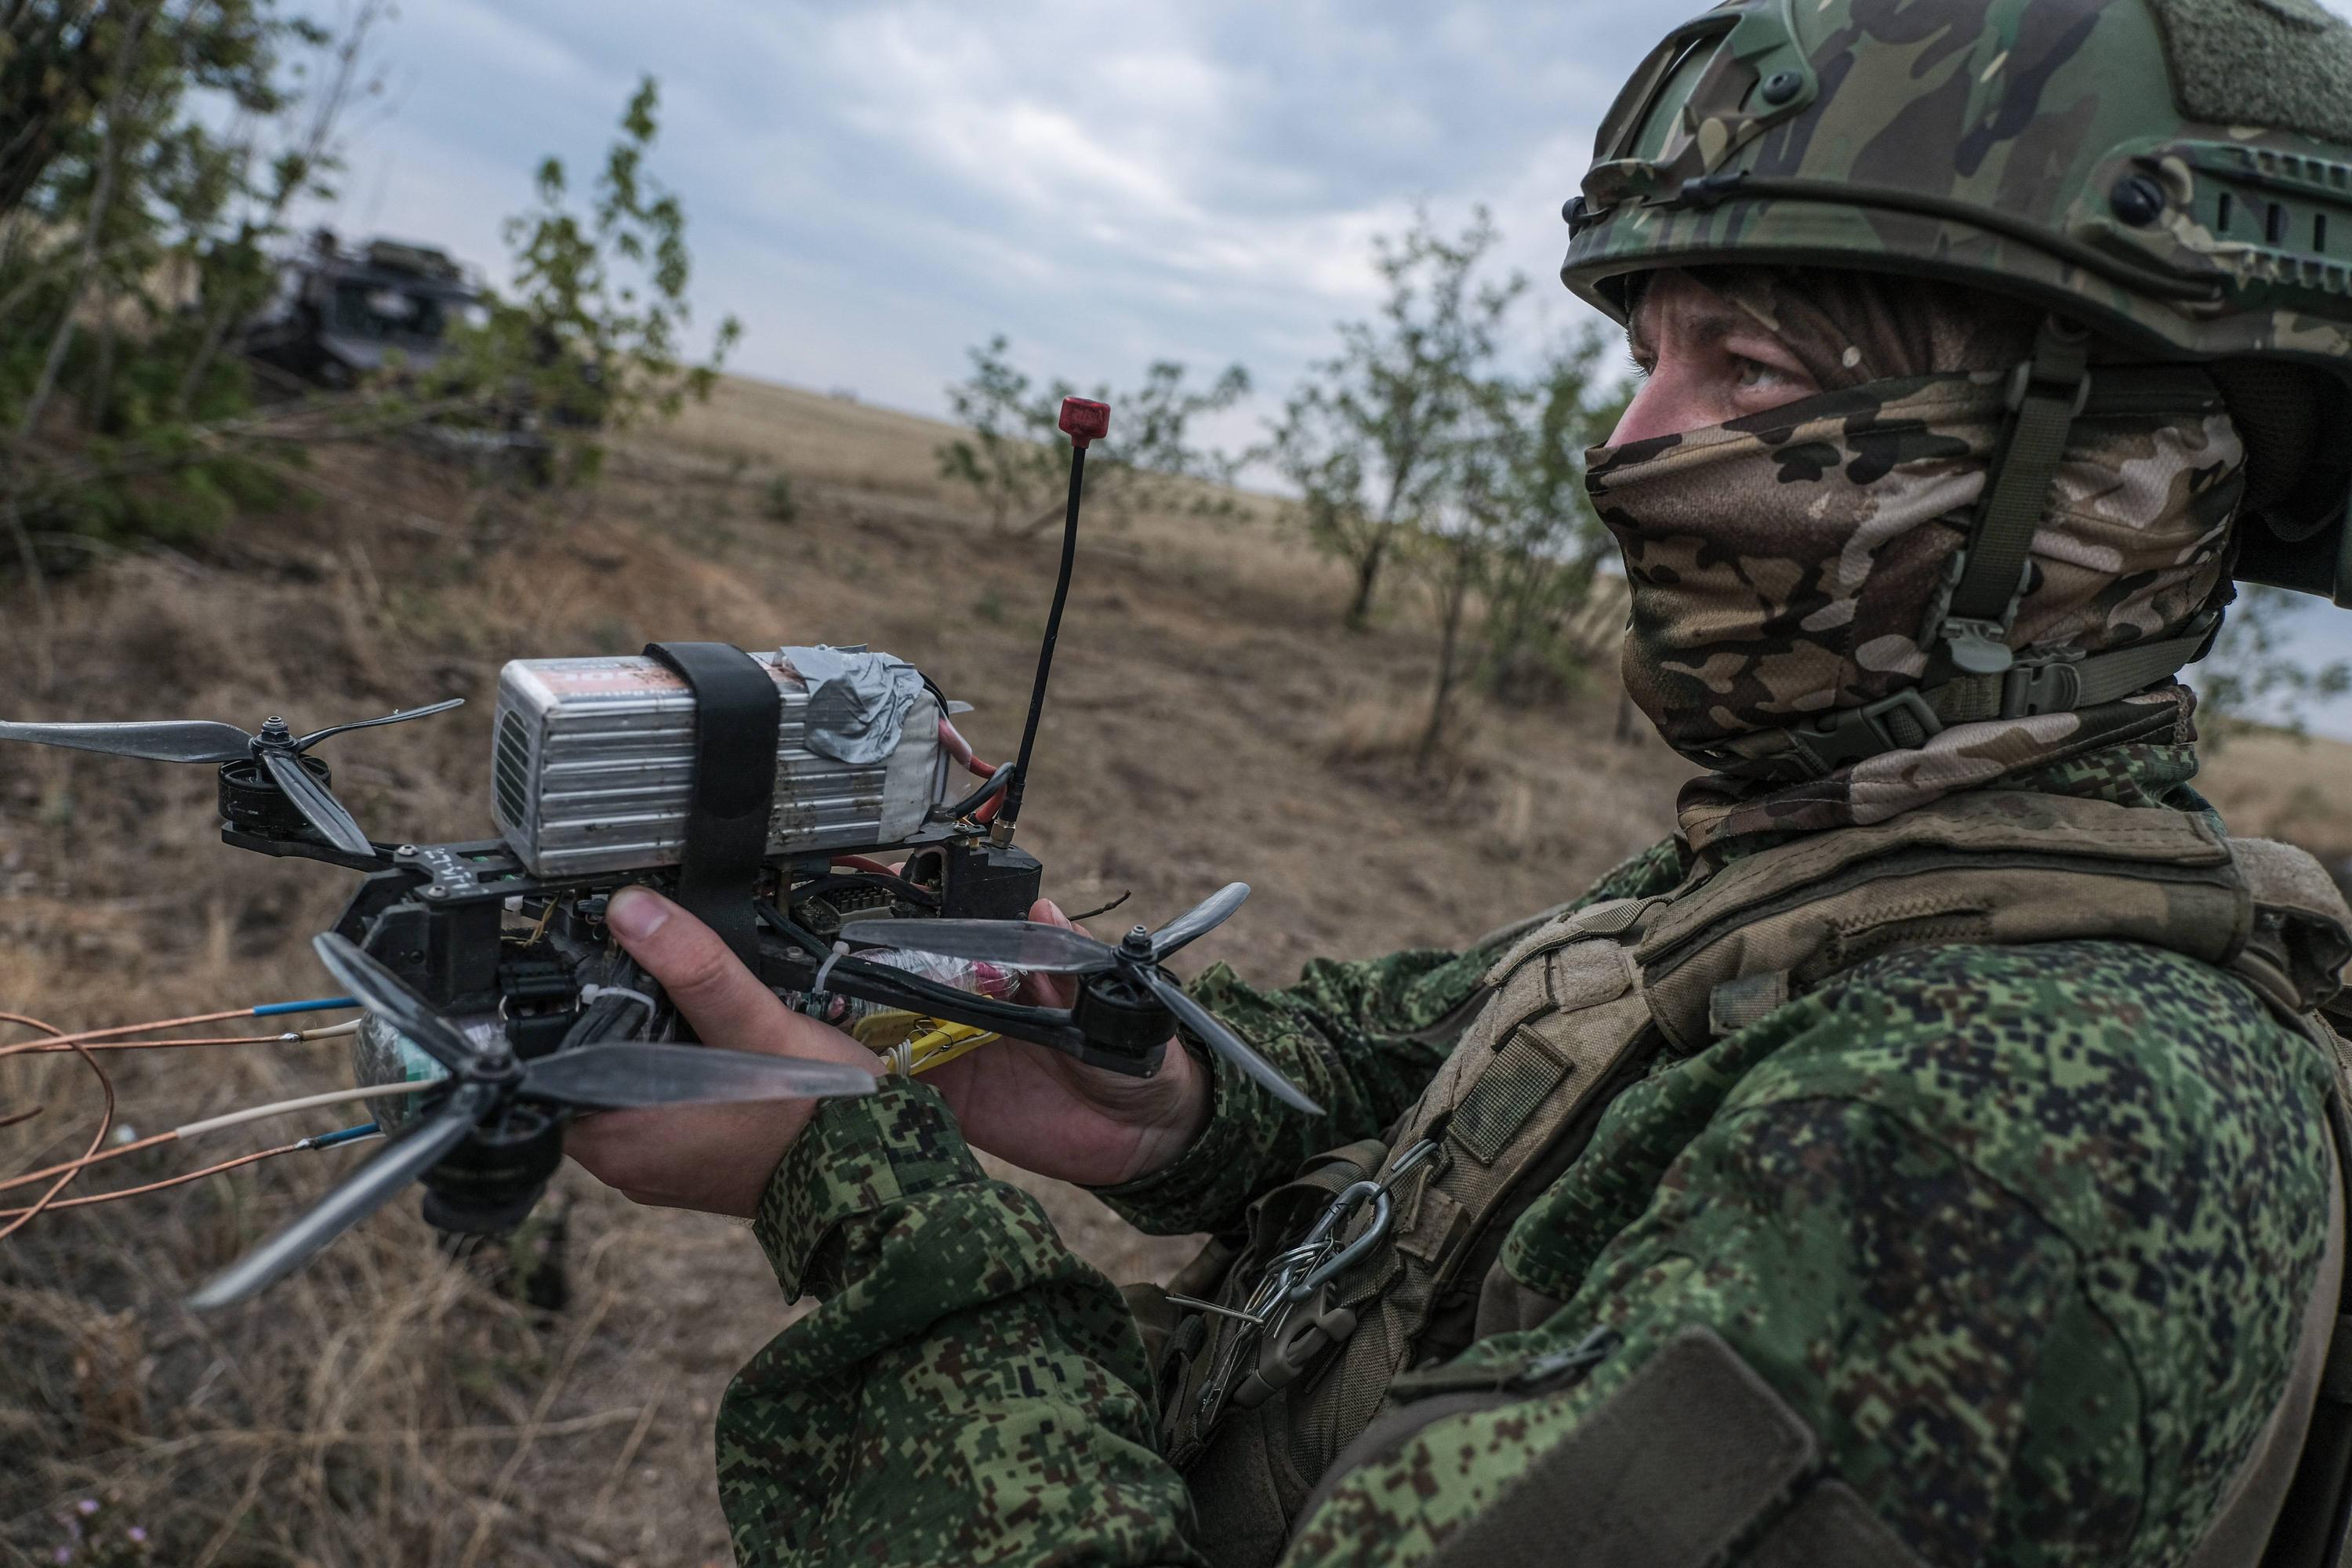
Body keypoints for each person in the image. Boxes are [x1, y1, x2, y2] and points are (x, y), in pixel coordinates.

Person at [567, 1, 2352, 1562]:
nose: (1629, 445)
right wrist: (1165, 1094)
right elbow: (1467, 1058)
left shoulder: (2002, 1144)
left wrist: (857, 1195)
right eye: (1646, 359)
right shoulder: (1858, 857)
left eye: (1749, 368)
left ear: (2089, 479)